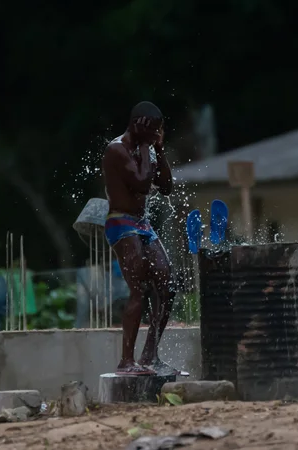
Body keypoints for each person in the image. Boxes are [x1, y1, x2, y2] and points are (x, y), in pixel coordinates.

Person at [102, 101, 179, 376]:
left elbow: (166, 187)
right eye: (154, 132)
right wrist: (147, 148)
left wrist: (159, 150)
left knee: (167, 285)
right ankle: (126, 360)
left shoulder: (146, 149)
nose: (157, 136)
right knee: (141, 288)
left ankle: (149, 355)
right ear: (140, 126)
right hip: (121, 222)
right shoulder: (117, 150)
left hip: (141, 223)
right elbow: (143, 183)